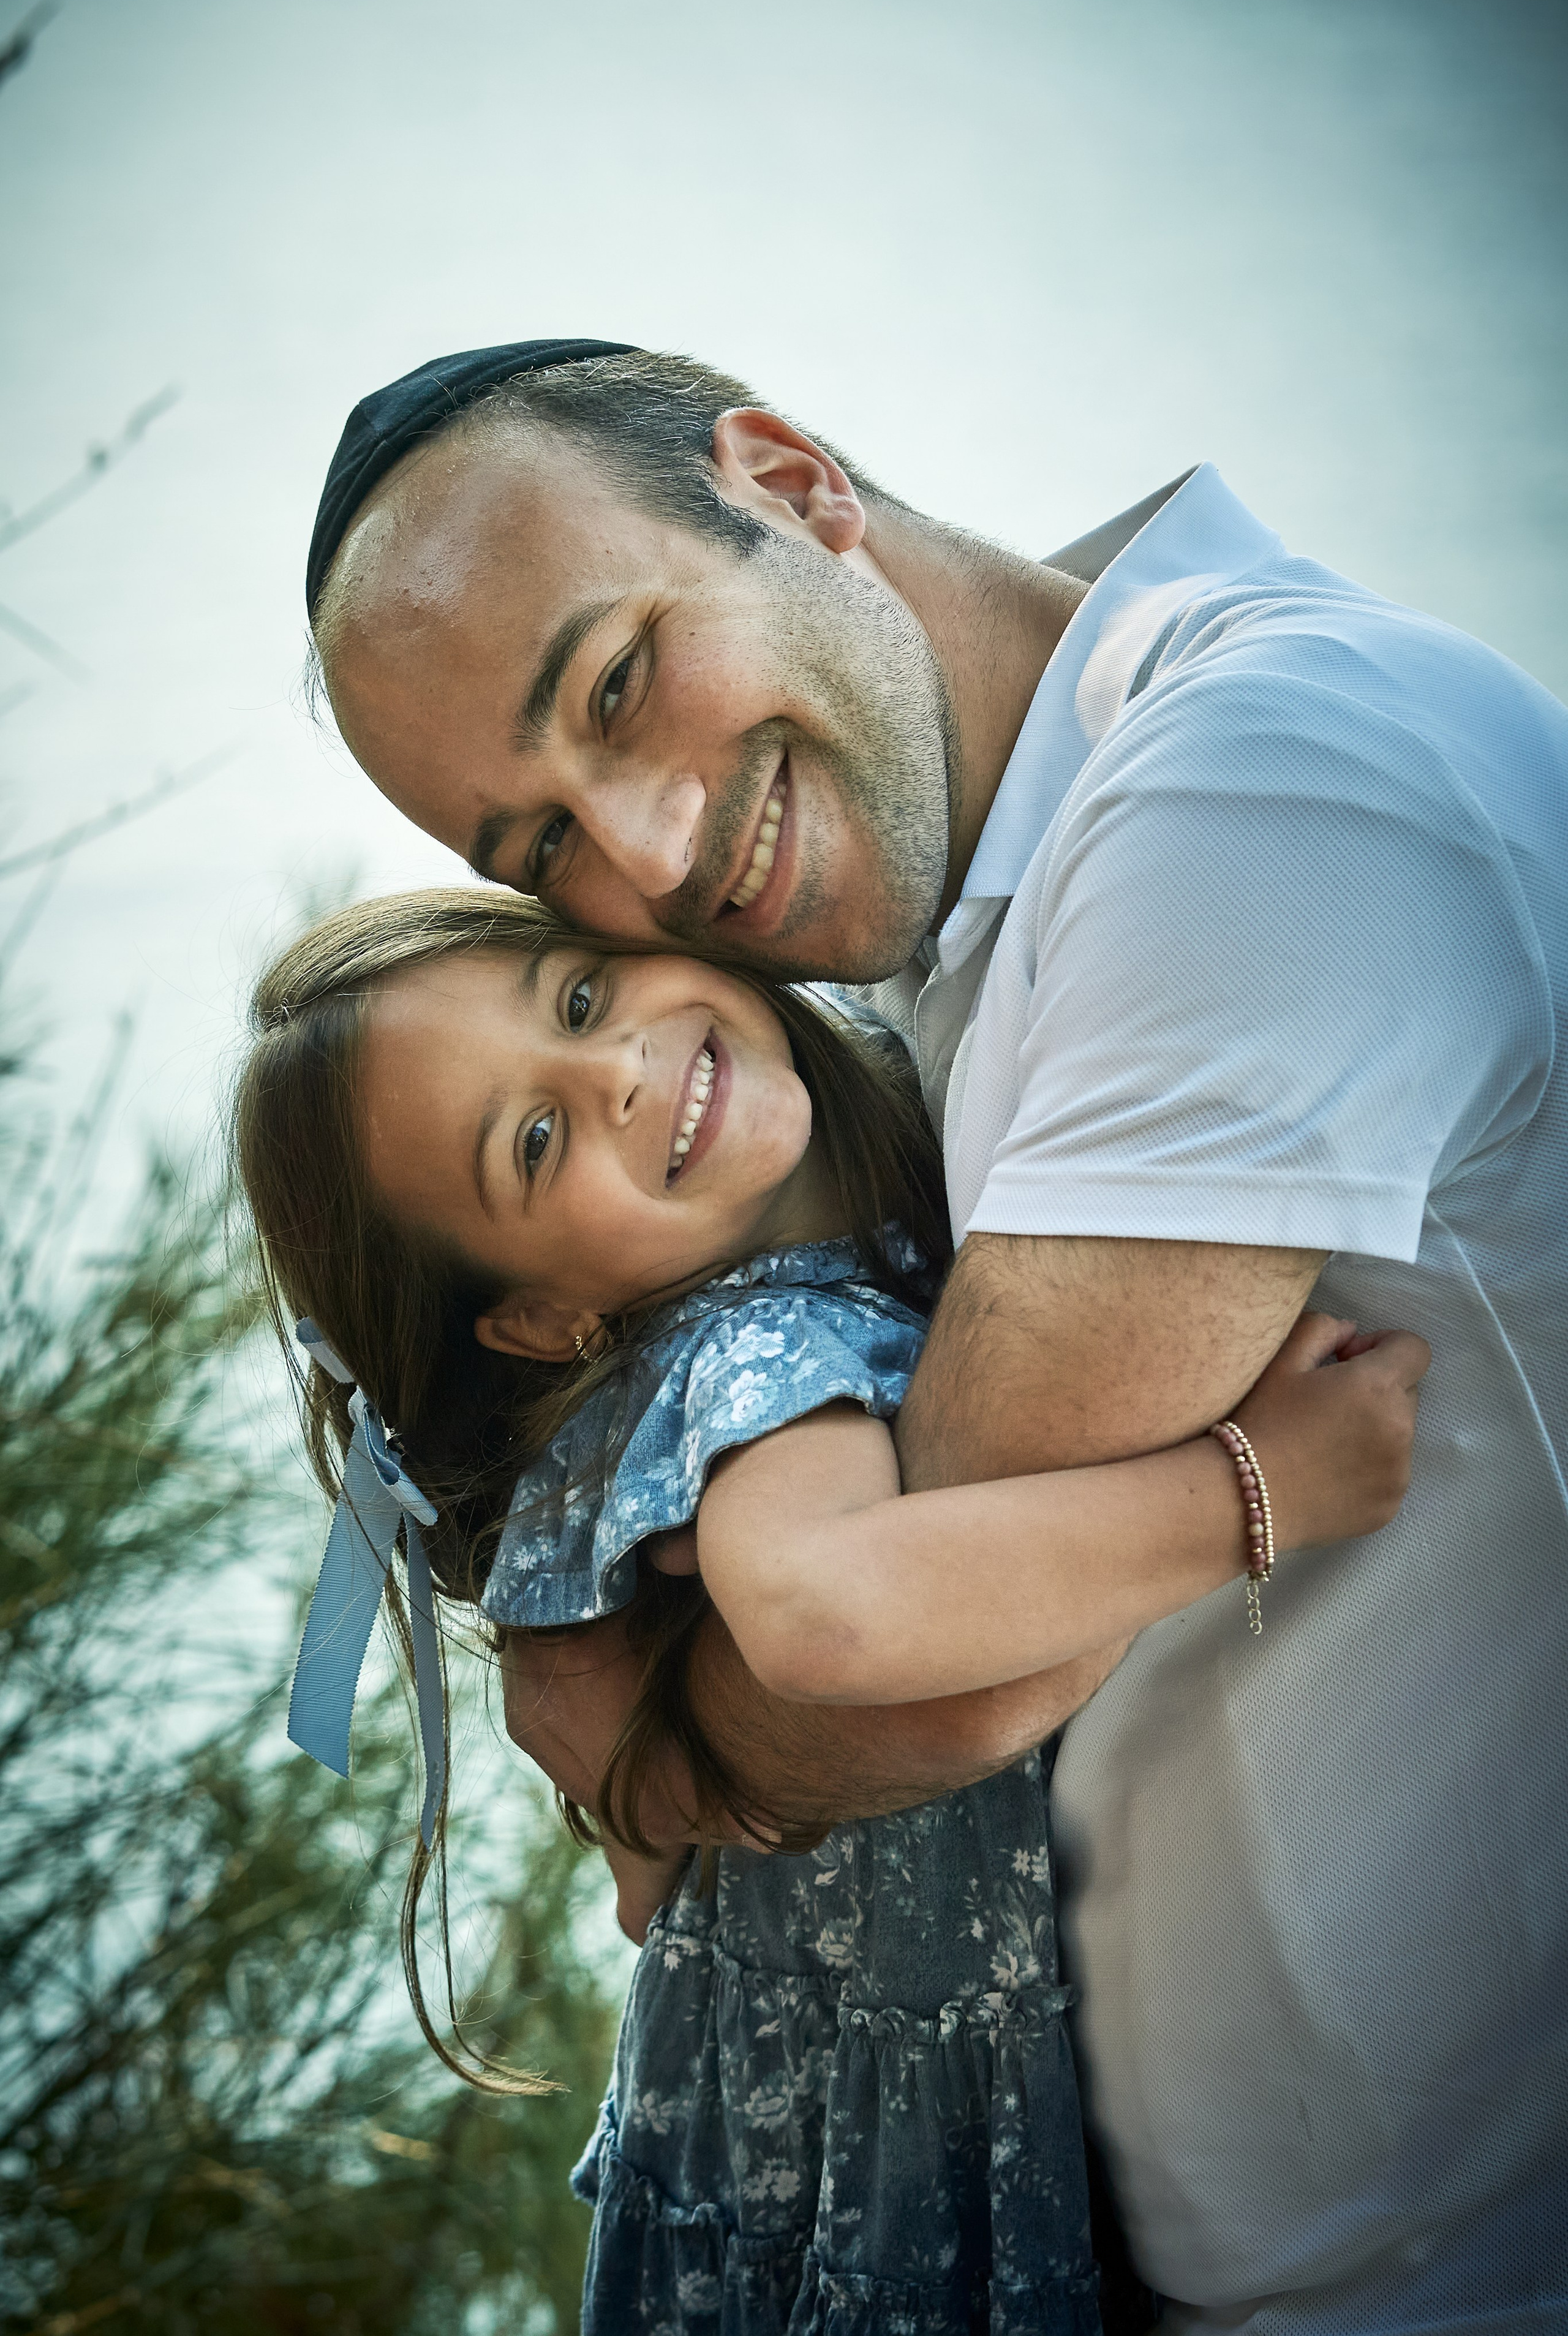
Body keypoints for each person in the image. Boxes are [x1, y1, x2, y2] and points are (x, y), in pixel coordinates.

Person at [301, 342, 1568, 2332]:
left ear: (793, 480)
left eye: (617, 682)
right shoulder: (927, 965)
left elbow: (919, 1666)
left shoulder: (1253, 786)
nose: (646, 857)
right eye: (541, 849)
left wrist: (652, 1747)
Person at [235, 886, 1423, 2335]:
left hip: (819, 2062)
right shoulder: (757, 1350)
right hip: (858, 2137)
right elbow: (824, 1614)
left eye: (578, 997)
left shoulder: (878, 1114)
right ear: (543, 1322)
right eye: (535, 1143)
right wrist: (1258, 1486)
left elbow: (641, 1838)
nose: (614, 1070)